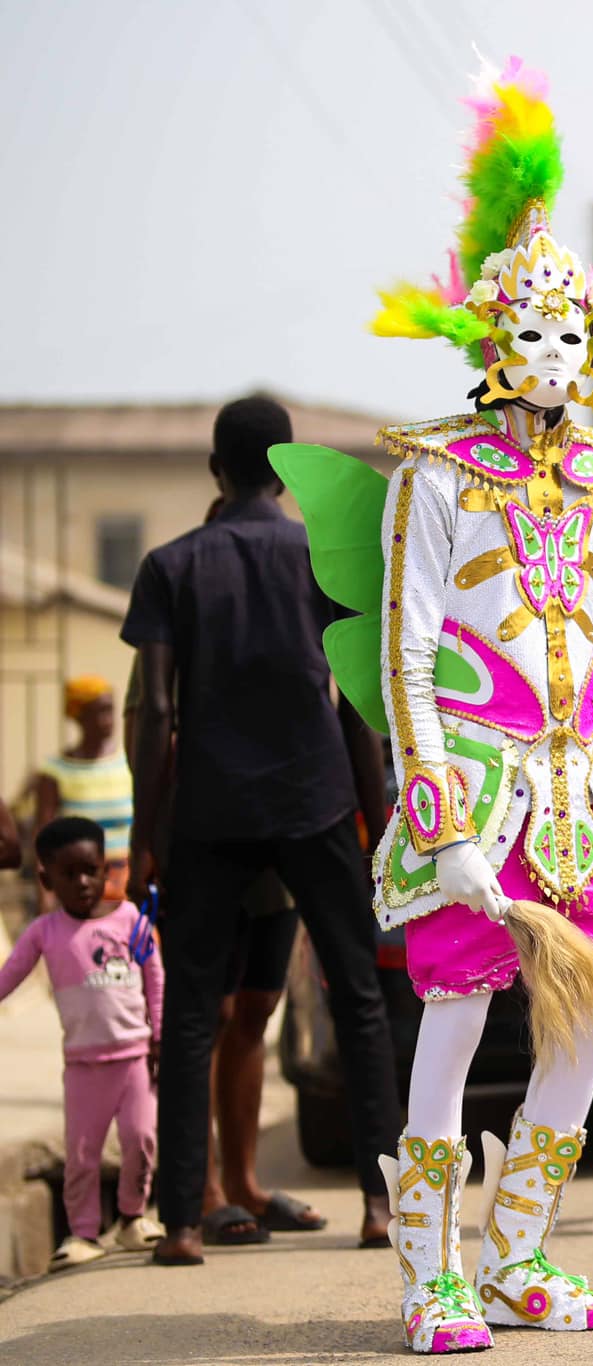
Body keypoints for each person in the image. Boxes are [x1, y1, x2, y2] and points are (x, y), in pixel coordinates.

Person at [333, 56, 593, 1353]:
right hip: (473, 786)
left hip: (582, 795)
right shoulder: (439, 471)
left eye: (570, 334)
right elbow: (406, 660)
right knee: (455, 1018)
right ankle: (428, 1271)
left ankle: (523, 1249)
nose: (550, 354)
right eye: (528, 332)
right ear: (488, 340)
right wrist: (442, 820)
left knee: (590, 1017)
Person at [122, 392, 402, 1269]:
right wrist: (384, 818)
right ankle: (379, 1206)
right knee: (359, 1000)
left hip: (208, 809)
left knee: (194, 1014)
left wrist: (146, 831)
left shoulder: (172, 565)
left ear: (215, 469)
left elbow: (155, 711)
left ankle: (183, 1223)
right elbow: (357, 701)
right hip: (315, 802)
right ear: (285, 467)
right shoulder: (324, 558)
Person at [0, 818, 162, 1270]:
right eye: (69, 874)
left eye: (91, 870)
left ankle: (132, 1216)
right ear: (46, 878)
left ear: (106, 868)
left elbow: (154, 977)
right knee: (83, 1154)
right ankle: (83, 1233)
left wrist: (160, 1036)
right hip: (84, 1067)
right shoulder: (43, 932)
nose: (84, 882)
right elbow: (10, 976)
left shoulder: (132, 919)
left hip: (135, 1058)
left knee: (141, 1138)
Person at [33, 676, 133, 904]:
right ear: (79, 717)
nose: (107, 720)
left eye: (110, 711)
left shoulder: (127, 761)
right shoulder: (56, 771)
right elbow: (42, 836)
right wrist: (45, 898)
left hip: (126, 884)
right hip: (81, 886)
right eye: (99, 712)